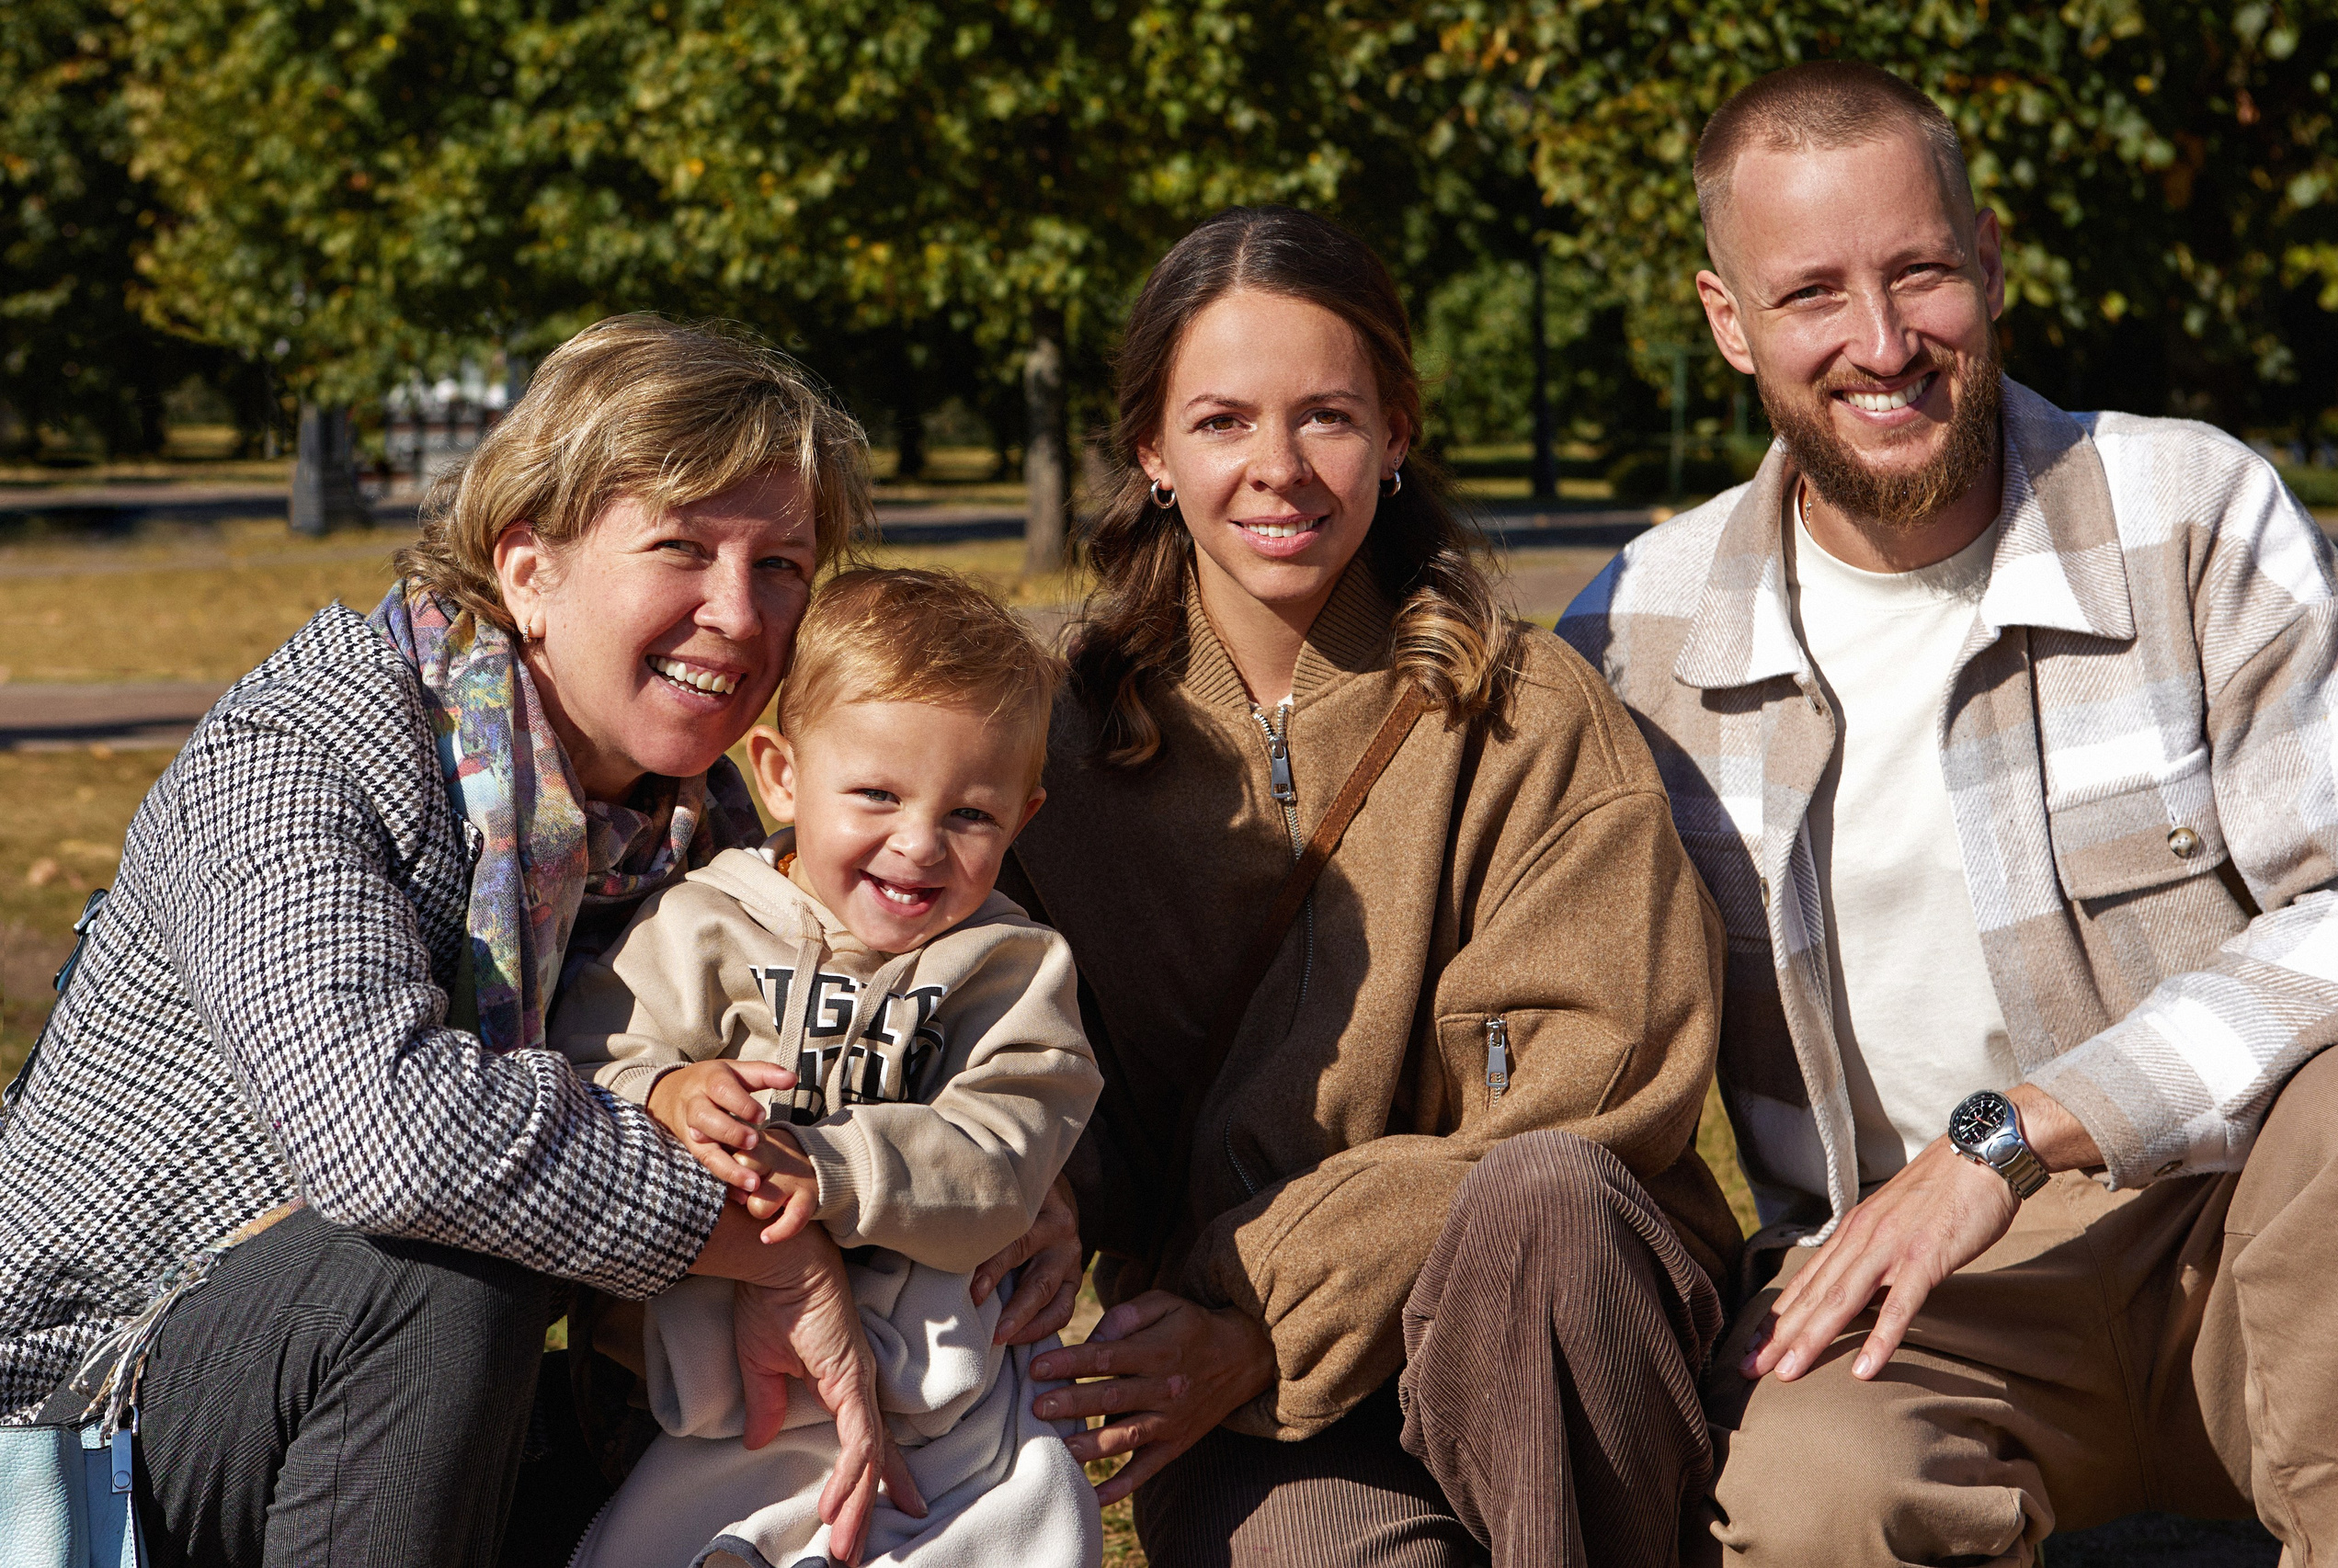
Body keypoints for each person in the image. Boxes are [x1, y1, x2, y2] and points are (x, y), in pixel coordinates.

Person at [0, 316, 1069, 1568]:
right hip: (85, 1415)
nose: (737, 612)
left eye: (782, 564)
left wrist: (1003, 1197)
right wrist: (777, 1240)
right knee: (440, 1276)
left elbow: (873, 1051)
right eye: (681, 547)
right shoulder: (308, 748)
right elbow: (386, 1138)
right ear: (528, 569)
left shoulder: (702, 831)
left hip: (420, 1419)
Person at [1559, 60, 2338, 1567]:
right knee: (1807, 1501)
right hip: (1910, 1300)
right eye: (1810, 296)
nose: (1881, 343)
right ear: (1728, 323)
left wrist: (2016, 1134)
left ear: (1989, 262)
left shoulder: (2194, 515)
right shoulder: (1633, 638)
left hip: (2244, 1235)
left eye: (1920, 272)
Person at [999, 204, 1745, 1568]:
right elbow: (1037, 1073)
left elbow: (1600, 1083)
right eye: (1222, 421)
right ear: (1152, 451)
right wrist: (1040, 1189)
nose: (1278, 469)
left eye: (1327, 417)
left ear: (1396, 433)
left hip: (1553, 1346)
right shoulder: (1052, 747)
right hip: (1250, 1409)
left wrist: (1262, 1306)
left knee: (1545, 1200)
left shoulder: (1531, 714)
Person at [552, 568, 1101, 1568]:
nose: (919, 843)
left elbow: (1006, 1156)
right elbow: (588, 1063)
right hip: (721, 1398)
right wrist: (666, 1091)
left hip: (948, 1392)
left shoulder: (1013, 969)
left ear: (1023, 817)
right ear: (781, 773)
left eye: (971, 815)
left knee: (1020, 1523)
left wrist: (833, 1168)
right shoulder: (701, 924)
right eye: (878, 795)